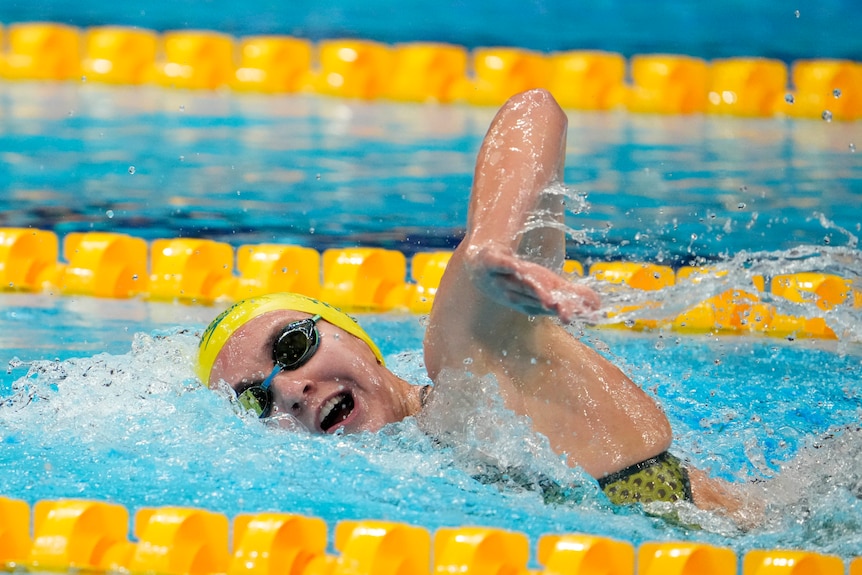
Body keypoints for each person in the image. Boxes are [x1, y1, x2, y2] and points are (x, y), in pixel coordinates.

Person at [196, 89, 753, 522]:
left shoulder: (470, 374)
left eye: (293, 347)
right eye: (254, 402)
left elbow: (536, 111)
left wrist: (489, 243)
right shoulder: (404, 476)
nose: (289, 393)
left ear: (354, 337)